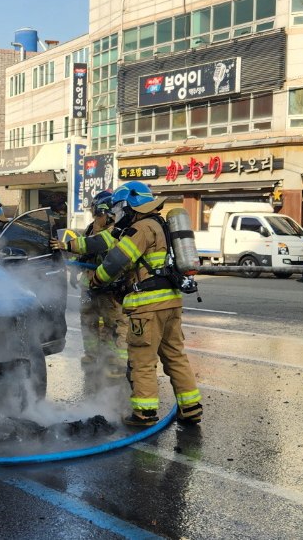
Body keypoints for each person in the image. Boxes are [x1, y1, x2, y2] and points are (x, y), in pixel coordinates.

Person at [58, 181, 201, 427]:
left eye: (120, 208)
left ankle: (145, 413)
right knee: (175, 356)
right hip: (171, 302)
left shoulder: (140, 229)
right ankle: (191, 409)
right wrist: (70, 245)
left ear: (130, 205)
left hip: (148, 306)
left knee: (141, 360)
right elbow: (103, 242)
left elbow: (116, 262)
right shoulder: (160, 224)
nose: (118, 214)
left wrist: (96, 280)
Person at [75, 190, 127, 378]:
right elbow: (84, 250)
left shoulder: (116, 231)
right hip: (88, 287)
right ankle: (92, 355)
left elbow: (103, 249)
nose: (94, 216)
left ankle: (116, 360)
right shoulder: (90, 229)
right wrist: (76, 270)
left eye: (97, 212)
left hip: (108, 287)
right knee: (88, 321)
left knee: (113, 323)